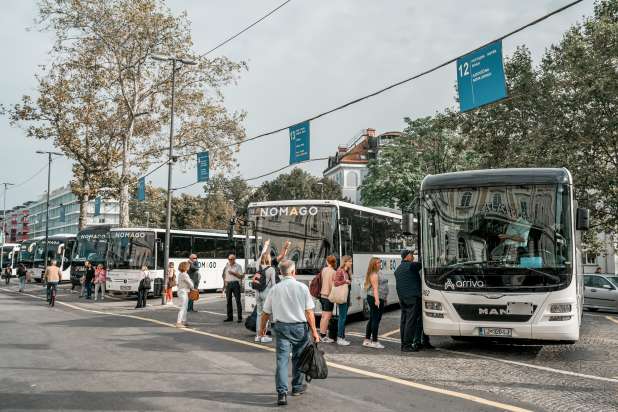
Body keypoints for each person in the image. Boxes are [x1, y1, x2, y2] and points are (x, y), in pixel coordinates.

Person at [258, 259, 320, 406]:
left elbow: (265, 313)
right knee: (299, 358)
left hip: (281, 327)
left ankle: (282, 394)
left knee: (282, 361)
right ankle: (297, 387)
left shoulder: (275, 289)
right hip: (299, 328)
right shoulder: (302, 288)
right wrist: (315, 333)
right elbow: (309, 313)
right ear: (294, 272)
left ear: (280, 272)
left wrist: (262, 330)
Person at [395, 249, 431, 352]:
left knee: (404, 321)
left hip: (403, 298)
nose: (413, 256)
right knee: (411, 322)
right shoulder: (411, 265)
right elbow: (423, 264)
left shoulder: (398, 269)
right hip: (413, 298)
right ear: (407, 256)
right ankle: (408, 345)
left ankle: (404, 344)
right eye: (412, 255)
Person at [363, 257, 388, 349]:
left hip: (379, 298)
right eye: (377, 263)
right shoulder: (374, 274)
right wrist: (377, 300)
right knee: (376, 319)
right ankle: (374, 341)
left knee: (373, 318)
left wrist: (384, 298)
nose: (379, 264)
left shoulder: (378, 272)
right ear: (373, 264)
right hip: (375, 298)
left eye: (380, 262)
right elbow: (375, 289)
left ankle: (366, 340)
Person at [254, 252, 277, 343]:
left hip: (257, 292)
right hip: (266, 293)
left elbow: (259, 259)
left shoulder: (258, 267)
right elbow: (274, 284)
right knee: (265, 315)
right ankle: (263, 336)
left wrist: (265, 247)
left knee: (259, 314)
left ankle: (257, 335)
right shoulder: (271, 269)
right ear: (269, 259)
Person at [333, 255, 353, 346]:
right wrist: (345, 281)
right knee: (342, 318)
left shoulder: (347, 271)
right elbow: (336, 283)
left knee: (344, 318)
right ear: (345, 262)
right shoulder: (340, 271)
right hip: (341, 297)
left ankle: (342, 337)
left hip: (346, 297)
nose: (351, 263)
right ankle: (340, 337)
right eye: (350, 261)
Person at [318, 255, 337, 343]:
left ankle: (321, 334)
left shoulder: (324, 270)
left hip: (322, 295)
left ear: (327, 262)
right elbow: (334, 286)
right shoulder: (334, 272)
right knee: (327, 317)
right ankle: (323, 336)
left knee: (323, 316)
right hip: (329, 296)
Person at [222, 254, 244, 323]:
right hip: (228, 284)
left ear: (234, 259)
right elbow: (224, 275)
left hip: (235, 284)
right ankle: (229, 317)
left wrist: (233, 273)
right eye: (229, 259)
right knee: (228, 301)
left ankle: (239, 318)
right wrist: (224, 284)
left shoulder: (238, 266)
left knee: (238, 301)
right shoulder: (226, 266)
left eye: (231, 259)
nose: (230, 260)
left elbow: (241, 276)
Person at [176, 261, 194, 328]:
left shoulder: (181, 274)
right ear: (185, 267)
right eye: (188, 266)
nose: (189, 267)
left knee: (184, 307)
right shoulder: (185, 274)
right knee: (183, 307)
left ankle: (183, 321)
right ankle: (179, 322)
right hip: (183, 291)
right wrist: (192, 285)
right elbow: (191, 284)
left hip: (182, 291)